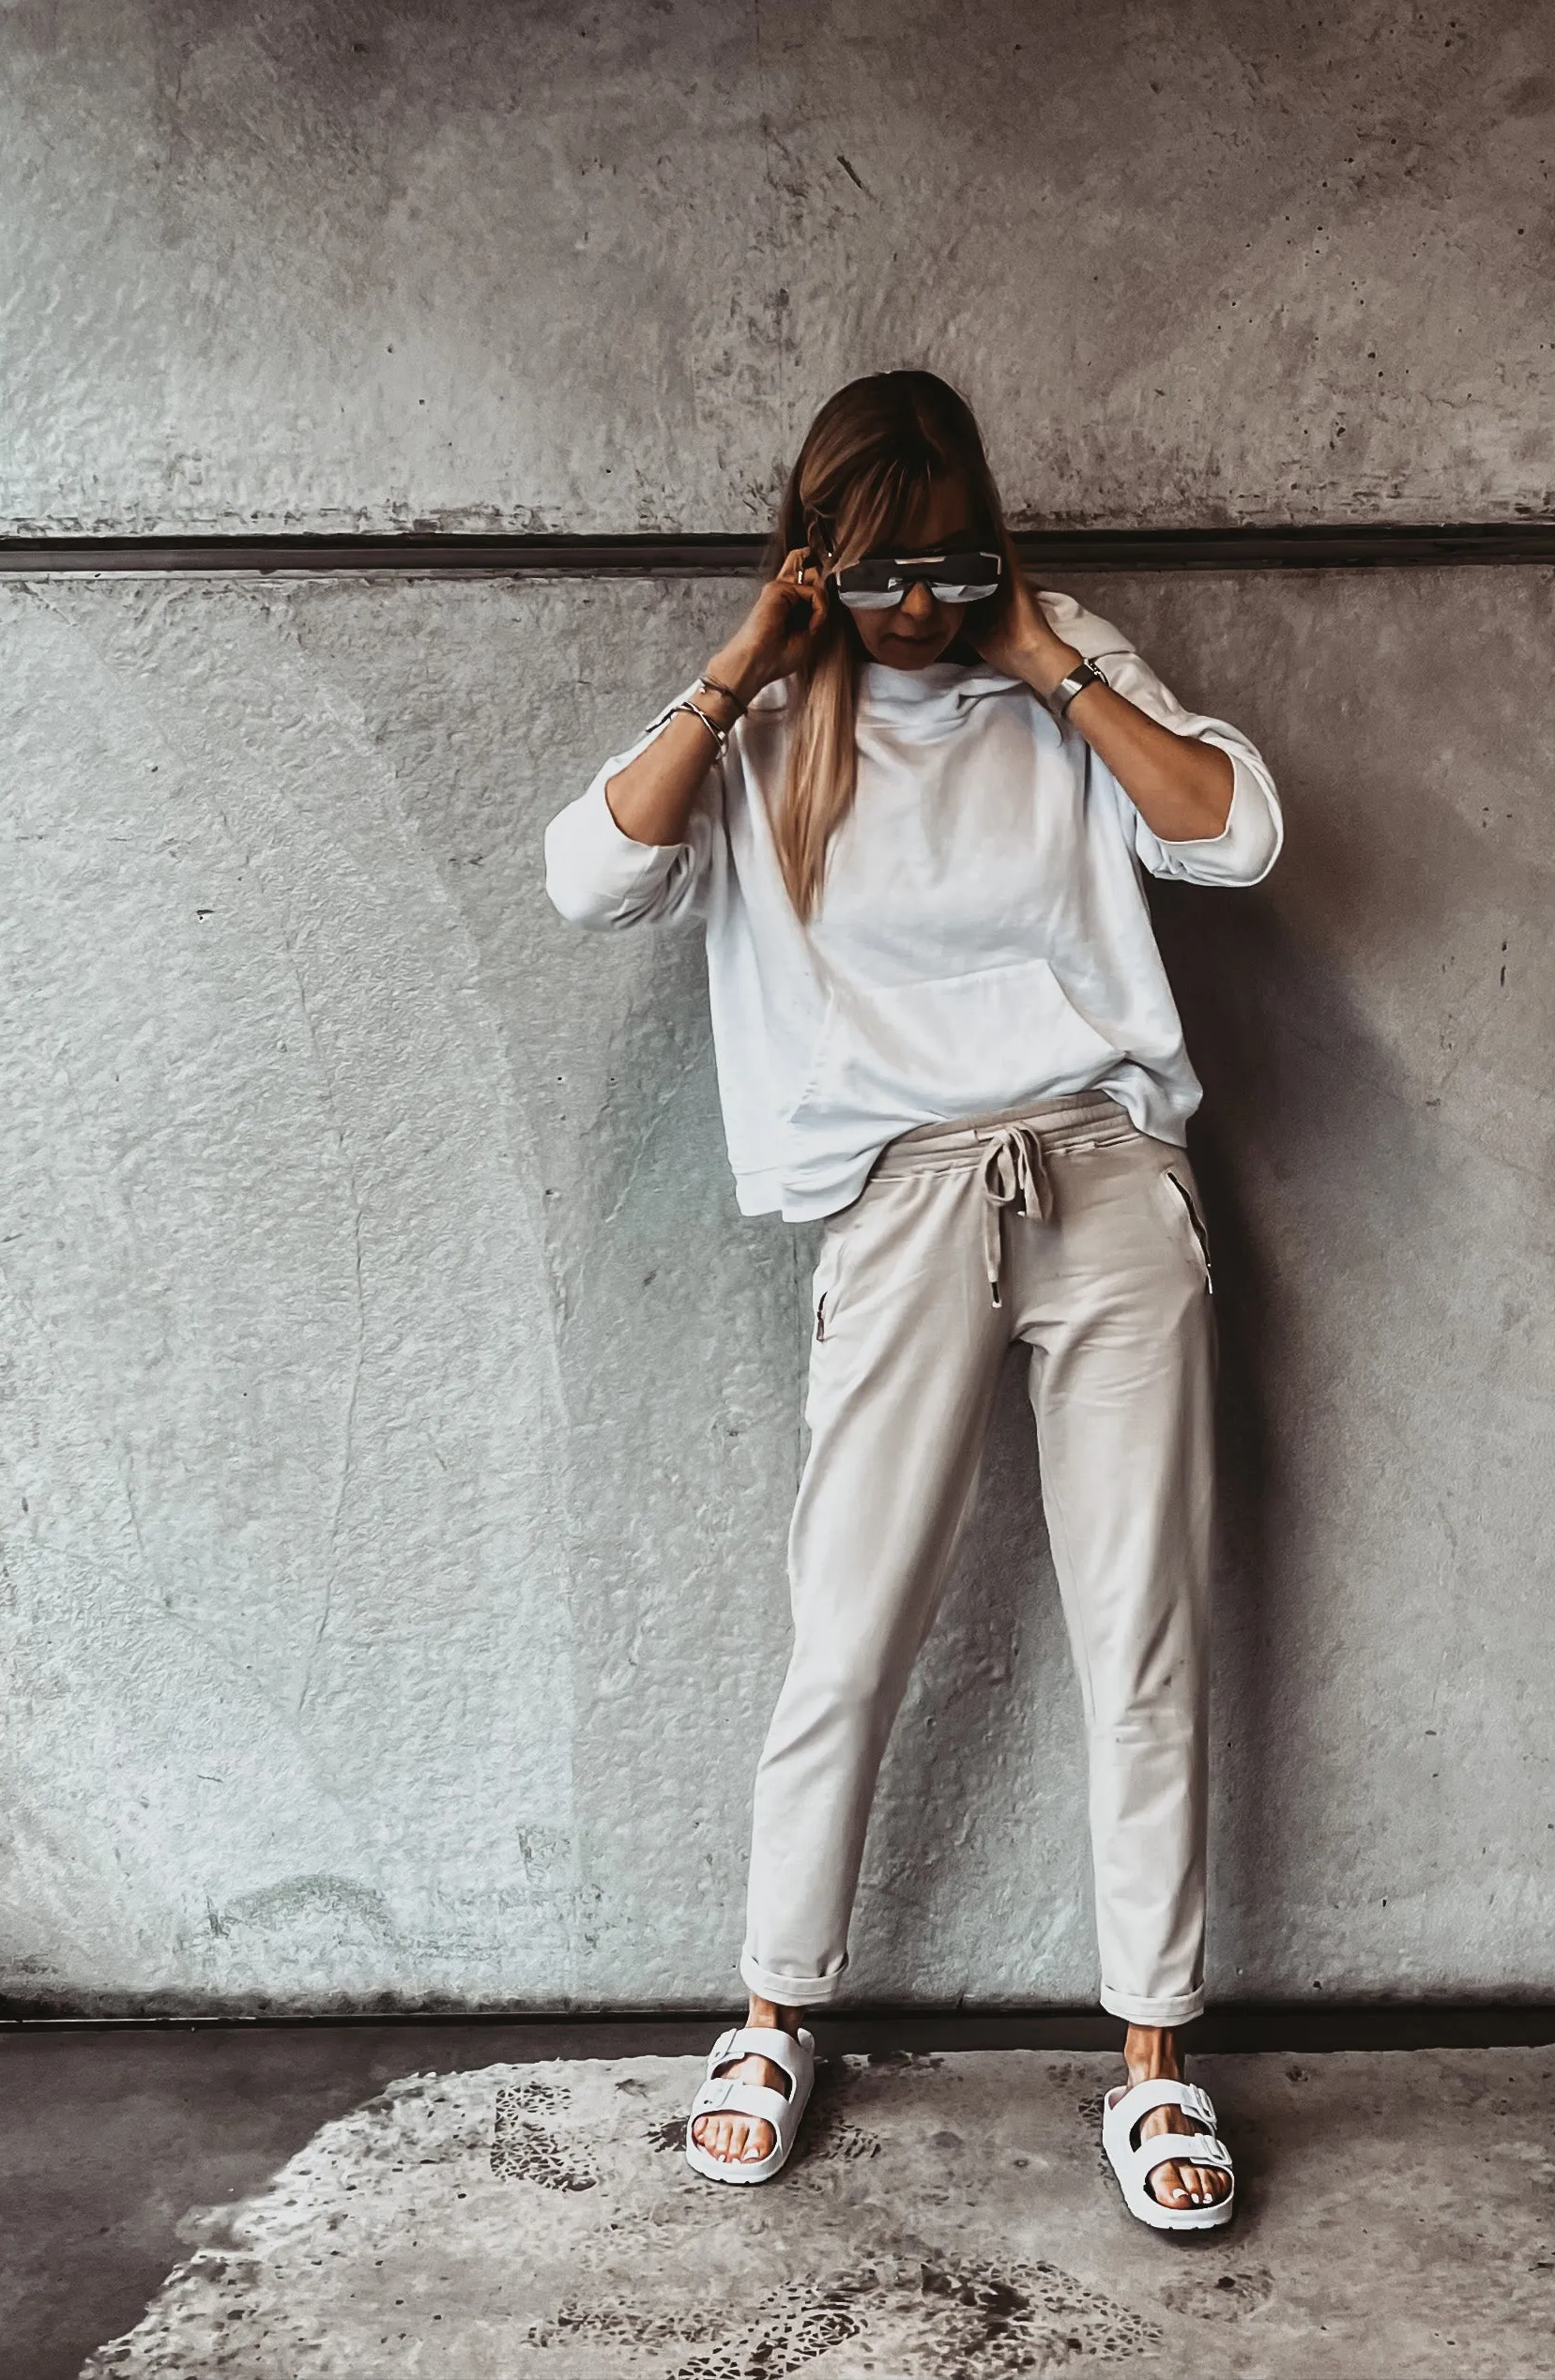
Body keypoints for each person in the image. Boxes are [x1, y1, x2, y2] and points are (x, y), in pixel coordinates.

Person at [542, 370, 1282, 2233]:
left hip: (1106, 1181)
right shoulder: (780, 715)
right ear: (816, 566)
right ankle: (772, 2016)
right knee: (844, 1628)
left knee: (1144, 1627)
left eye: (943, 568)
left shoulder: (1064, 670)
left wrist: (1047, 657)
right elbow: (590, 872)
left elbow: (1234, 834)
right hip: (900, 1201)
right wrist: (745, 657)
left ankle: (1153, 2060)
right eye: (873, 578)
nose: (916, 611)